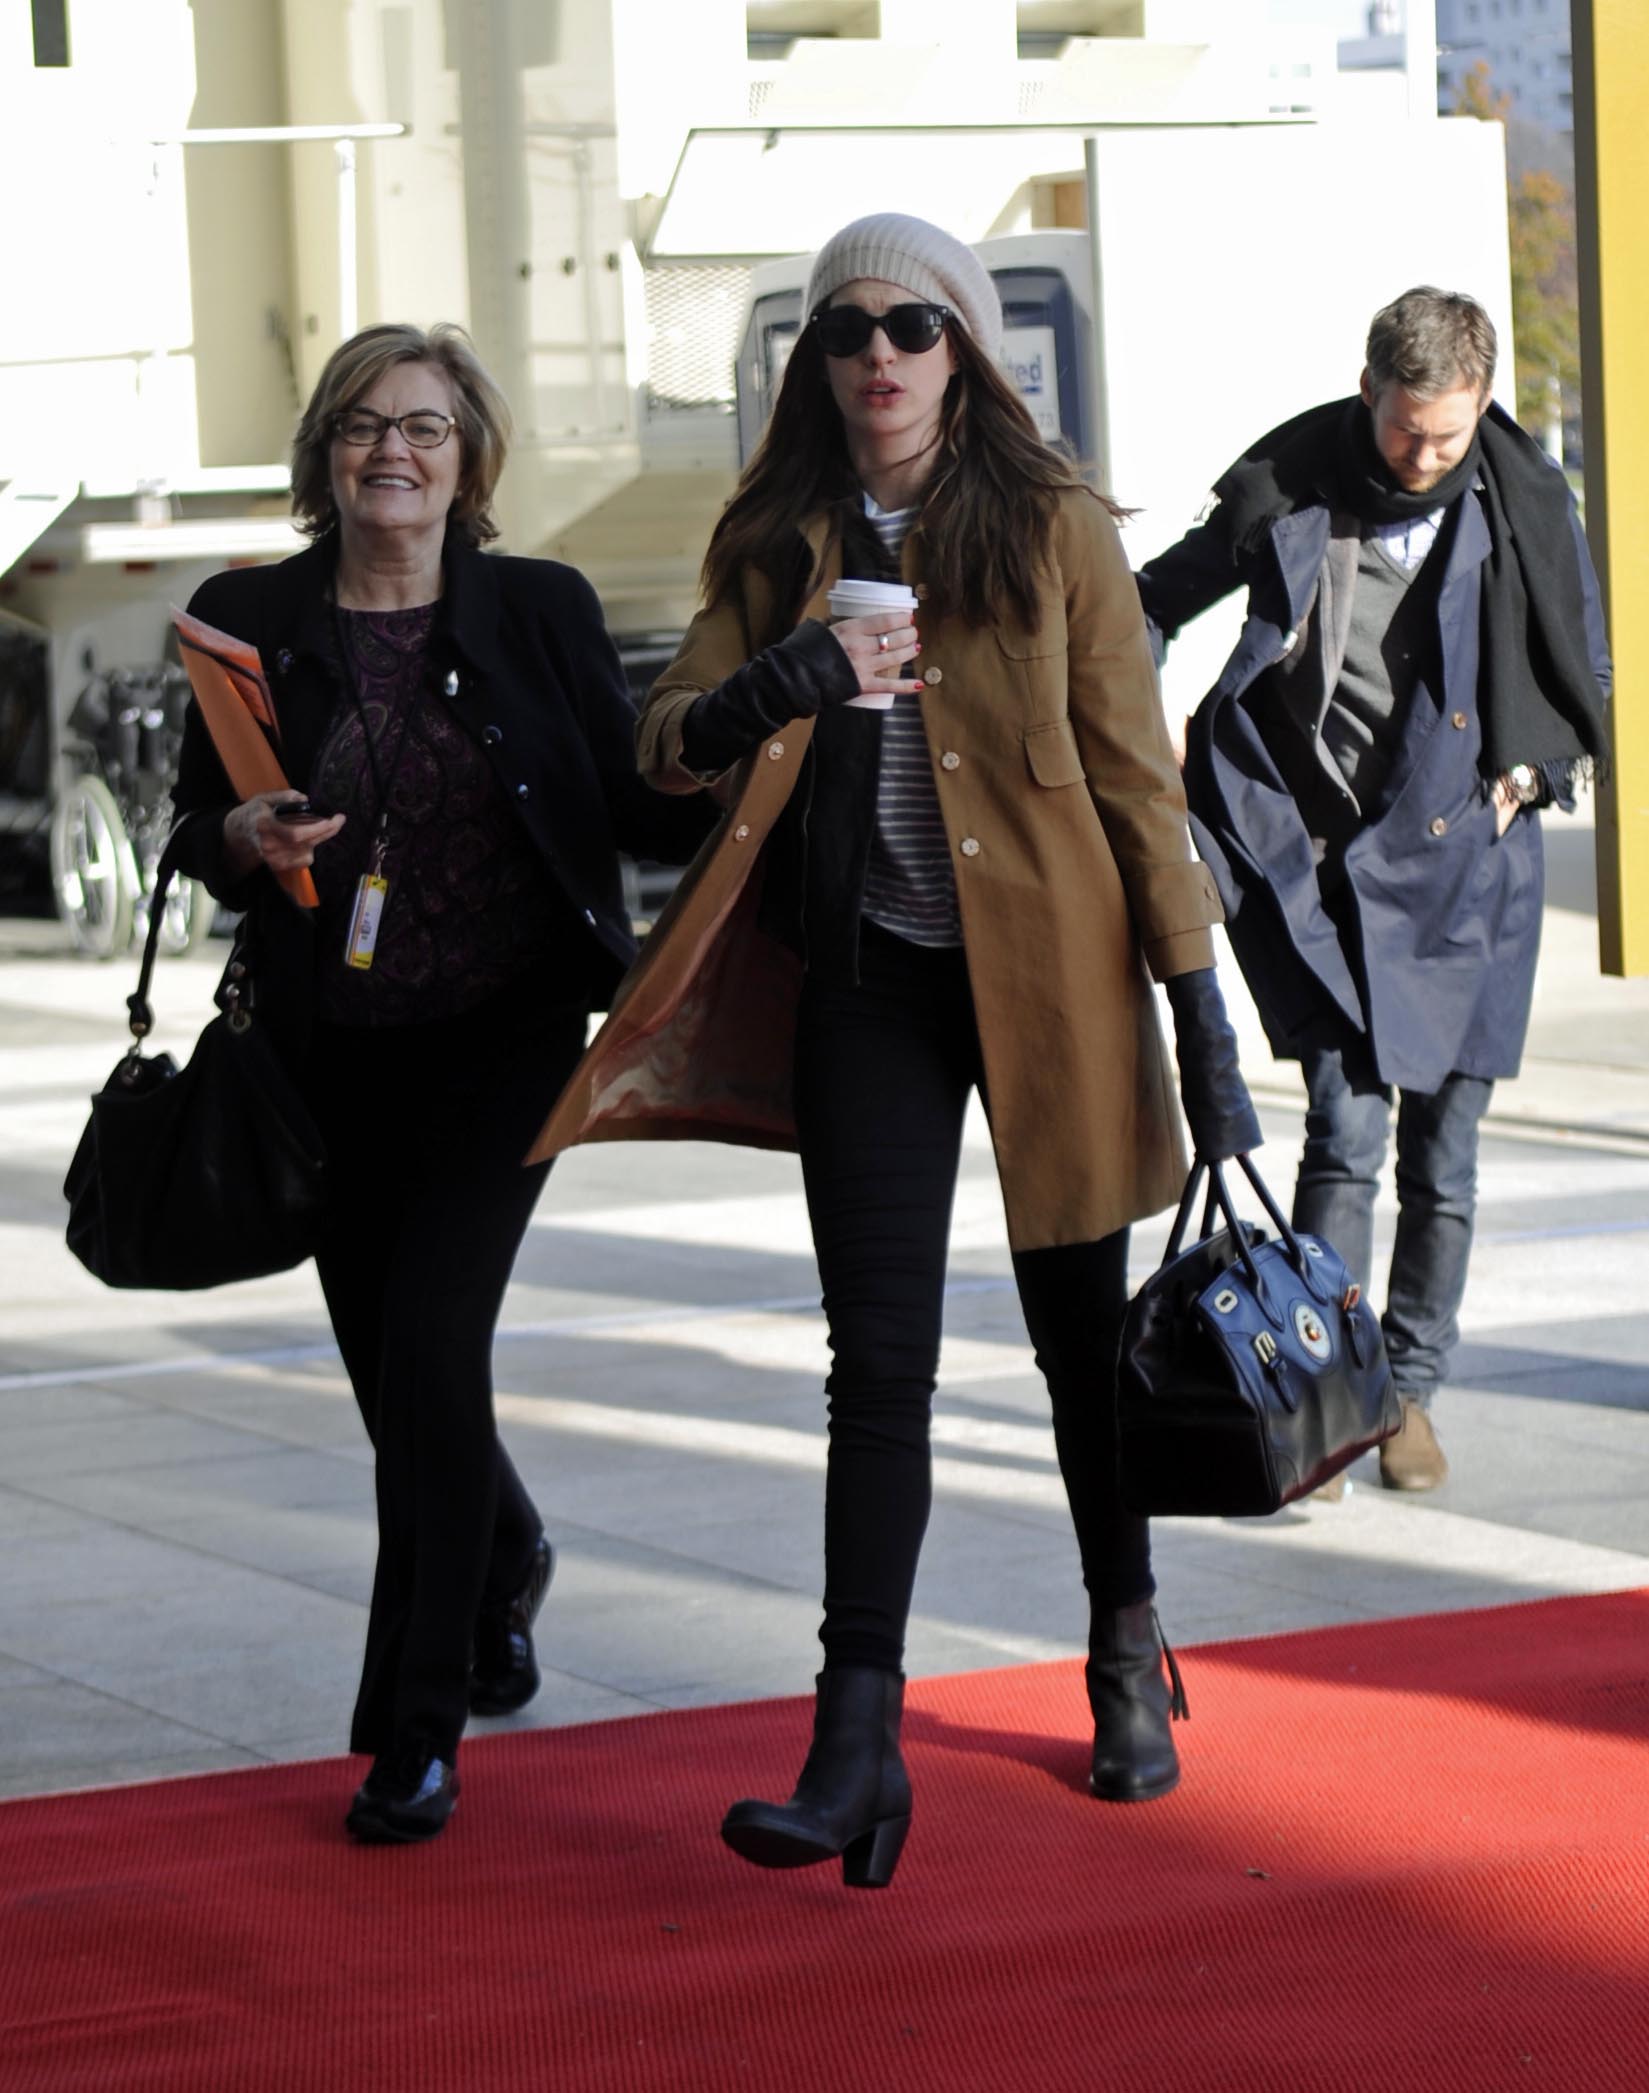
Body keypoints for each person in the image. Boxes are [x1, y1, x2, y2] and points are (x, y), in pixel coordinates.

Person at [529, 214, 1260, 1888]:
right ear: (817, 360)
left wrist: (1199, 1010)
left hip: (1057, 981)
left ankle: (1120, 1635)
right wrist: (780, 675)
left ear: (960, 353)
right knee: (879, 1362)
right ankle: (851, 1734)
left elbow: (1134, 778)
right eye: (848, 327)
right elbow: (664, 741)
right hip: (865, 980)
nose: (877, 353)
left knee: (1083, 1344)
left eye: (910, 326)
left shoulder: (1049, 521)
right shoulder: (779, 531)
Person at [170, 322, 711, 1844]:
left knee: (429, 1345)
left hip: (505, 1046)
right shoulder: (242, 615)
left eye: (422, 426)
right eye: (360, 425)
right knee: (399, 1380)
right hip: (322, 1056)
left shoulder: (536, 607)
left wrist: (736, 735)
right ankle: (509, 1549)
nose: (389, 451)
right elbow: (185, 827)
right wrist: (239, 838)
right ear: (322, 454)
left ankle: (415, 1732)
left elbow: (629, 802)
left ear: (469, 458)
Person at [1135, 287, 1611, 1495]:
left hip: (1466, 869)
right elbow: (1151, 598)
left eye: (1447, 436)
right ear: (1368, 394)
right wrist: (1125, 715)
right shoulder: (1288, 480)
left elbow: (1581, 660)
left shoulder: (1524, 503)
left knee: (1440, 1159)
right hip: (1324, 873)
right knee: (1342, 1142)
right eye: (1407, 432)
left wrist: (1535, 766)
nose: (1424, 457)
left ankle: (1406, 1391)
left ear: (1480, 407)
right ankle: (1321, 1393)